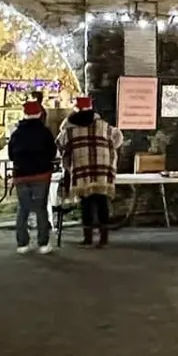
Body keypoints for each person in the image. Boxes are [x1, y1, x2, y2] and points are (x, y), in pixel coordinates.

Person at [58, 96, 122, 247]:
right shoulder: (103, 125)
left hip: (81, 167)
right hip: (102, 168)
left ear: (76, 108)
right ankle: (103, 239)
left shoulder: (69, 126)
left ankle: (88, 238)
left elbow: (60, 143)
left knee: (86, 202)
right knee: (101, 201)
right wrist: (110, 149)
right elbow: (118, 136)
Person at [7, 100, 58, 253]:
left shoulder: (16, 133)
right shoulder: (45, 132)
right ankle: (43, 243)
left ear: (24, 114)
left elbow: (11, 155)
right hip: (41, 174)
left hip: (21, 175)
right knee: (41, 208)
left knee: (23, 209)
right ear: (39, 113)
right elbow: (52, 152)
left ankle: (22, 244)